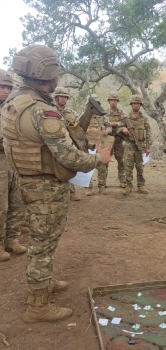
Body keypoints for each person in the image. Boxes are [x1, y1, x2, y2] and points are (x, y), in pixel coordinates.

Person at [1, 44, 111, 322]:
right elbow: (70, 157)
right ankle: (37, 306)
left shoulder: (15, 99)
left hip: (30, 181)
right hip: (45, 187)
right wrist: (99, 159)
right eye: (55, 69)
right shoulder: (42, 111)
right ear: (46, 72)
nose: (57, 76)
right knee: (42, 242)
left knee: (44, 240)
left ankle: (43, 285)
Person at [0, 69, 27, 262]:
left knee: (17, 201)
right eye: (2, 86)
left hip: (13, 159)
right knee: (1, 205)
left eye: (8, 87)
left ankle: (12, 240)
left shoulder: (11, 109)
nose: (5, 90)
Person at [118, 94, 152, 195]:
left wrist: (148, 147)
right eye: (134, 103)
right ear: (131, 104)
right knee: (128, 166)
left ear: (140, 105)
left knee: (140, 167)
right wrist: (122, 129)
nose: (136, 105)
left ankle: (141, 186)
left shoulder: (144, 119)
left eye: (138, 103)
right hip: (129, 144)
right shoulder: (126, 118)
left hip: (140, 145)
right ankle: (128, 186)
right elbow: (118, 128)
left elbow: (149, 132)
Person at [54, 86, 80, 201]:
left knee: (69, 166)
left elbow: (77, 128)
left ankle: (71, 191)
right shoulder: (50, 110)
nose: (64, 99)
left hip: (69, 144)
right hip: (54, 144)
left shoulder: (71, 113)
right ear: (56, 97)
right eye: (61, 97)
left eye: (65, 97)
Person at [84, 94, 113, 195]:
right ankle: (88, 187)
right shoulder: (84, 116)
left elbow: (109, 127)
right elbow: (78, 128)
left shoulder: (103, 116)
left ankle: (102, 186)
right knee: (88, 166)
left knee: (102, 166)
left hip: (100, 144)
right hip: (88, 145)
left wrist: (107, 131)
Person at [105, 91, 126, 188]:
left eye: (115, 100)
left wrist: (115, 124)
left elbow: (124, 123)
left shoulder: (121, 113)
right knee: (105, 160)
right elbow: (102, 124)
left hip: (118, 139)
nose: (113, 102)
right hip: (107, 140)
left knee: (120, 160)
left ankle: (122, 180)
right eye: (111, 100)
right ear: (109, 101)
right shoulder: (104, 113)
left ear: (117, 102)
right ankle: (103, 181)